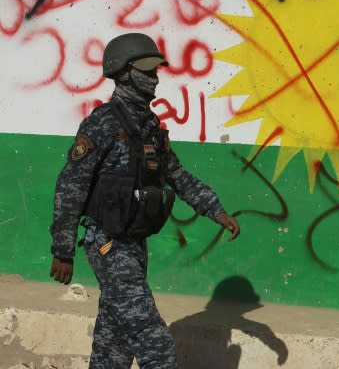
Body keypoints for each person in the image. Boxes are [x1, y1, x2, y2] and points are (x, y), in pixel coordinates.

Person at [49, 32, 241, 369]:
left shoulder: (151, 127)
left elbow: (177, 175)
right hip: (108, 245)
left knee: (114, 344)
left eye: (155, 71)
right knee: (155, 342)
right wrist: (63, 250)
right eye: (146, 71)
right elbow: (71, 185)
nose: (154, 78)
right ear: (122, 73)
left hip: (134, 245)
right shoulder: (102, 123)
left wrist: (215, 208)